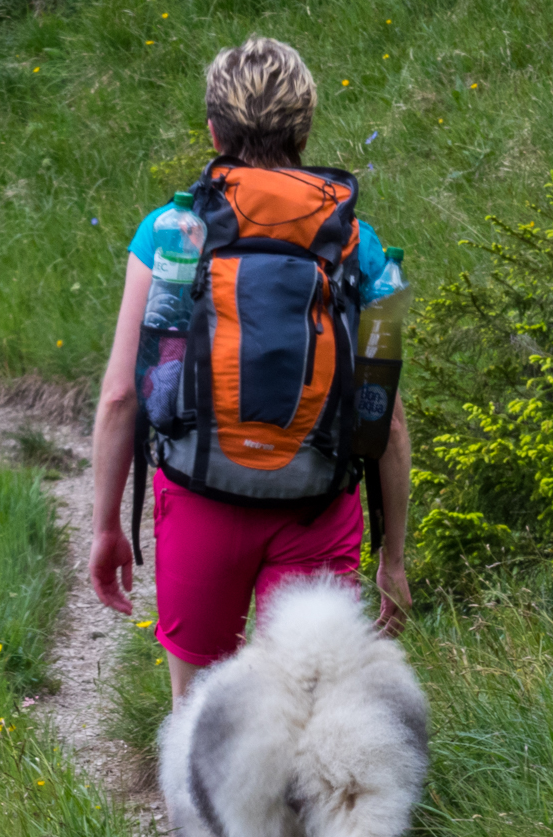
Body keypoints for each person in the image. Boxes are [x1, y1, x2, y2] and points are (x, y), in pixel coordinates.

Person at [87, 36, 412, 707]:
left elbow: (122, 394)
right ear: (304, 127)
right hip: (318, 503)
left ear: (214, 129)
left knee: (201, 716)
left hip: (201, 494)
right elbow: (384, 412)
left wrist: (105, 526)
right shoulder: (362, 244)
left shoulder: (169, 233)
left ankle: (208, 815)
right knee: (310, 711)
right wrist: (394, 557)